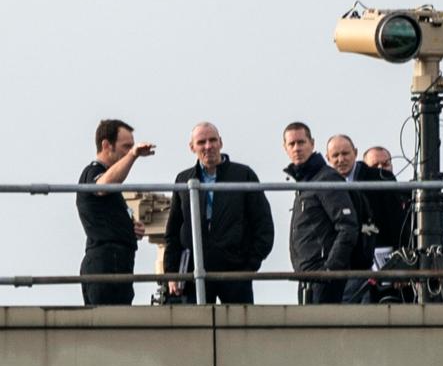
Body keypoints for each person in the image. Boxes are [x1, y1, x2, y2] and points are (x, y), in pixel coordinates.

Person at [164, 122, 274, 304]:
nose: (208, 146)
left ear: (221, 142)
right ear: (192, 147)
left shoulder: (243, 175)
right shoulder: (183, 179)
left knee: (239, 329)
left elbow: (263, 224)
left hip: (235, 271)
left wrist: (249, 266)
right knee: (196, 330)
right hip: (195, 271)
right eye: (201, 142)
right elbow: (173, 231)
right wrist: (172, 272)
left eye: (212, 140)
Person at [77, 119, 155, 305]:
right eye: (126, 146)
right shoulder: (93, 171)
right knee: (108, 324)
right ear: (106, 145)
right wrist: (133, 155)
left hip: (116, 262)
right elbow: (103, 186)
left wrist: (130, 227)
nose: (129, 150)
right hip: (106, 264)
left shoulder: (110, 183)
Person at [328, 135, 410, 303]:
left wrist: (401, 264)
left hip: (378, 265)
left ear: (355, 153)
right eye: (335, 156)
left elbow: (398, 224)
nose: (341, 159)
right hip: (343, 266)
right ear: (328, 158)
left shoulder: (379, 178)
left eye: (345, 153)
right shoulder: (325, 184)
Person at [282, 122, 358, 304]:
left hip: (322, 276)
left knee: (323, 330)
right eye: (291, 144)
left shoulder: (326, 178)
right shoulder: (305, 182)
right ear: (285, 148)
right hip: (307, 275)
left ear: (312, 143)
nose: (297, 148)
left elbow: (348, 225)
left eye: (301, 142)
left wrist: (330, 269)